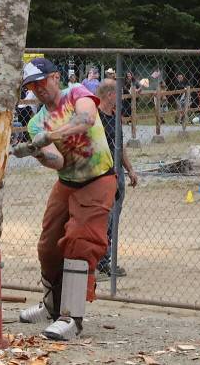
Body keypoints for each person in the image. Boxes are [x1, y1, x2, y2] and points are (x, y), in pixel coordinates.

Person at [16, 58, 115, 342]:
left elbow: (86, 120)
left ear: (55, 77)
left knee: (80, 242)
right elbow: (57, 161)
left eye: (40, 82)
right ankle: (50, 304)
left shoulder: (78, 94)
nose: (37, 89)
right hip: (67, 181)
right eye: (31, 86)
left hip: (97, 179)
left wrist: (50, 135)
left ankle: (72, 317)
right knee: (48, 245)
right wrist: (38, 153)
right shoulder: (36, 122)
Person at [94, 78, 139, 280]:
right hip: (102, 173)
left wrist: (130, 170)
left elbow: (120, 147)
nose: (120, 97)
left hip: (118, 173)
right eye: (118, 94)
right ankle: (100, 262)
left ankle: (106, 261)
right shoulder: (95, 118)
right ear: (110, 95)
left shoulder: (115, 116)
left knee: (114, 219)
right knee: (105, 217)